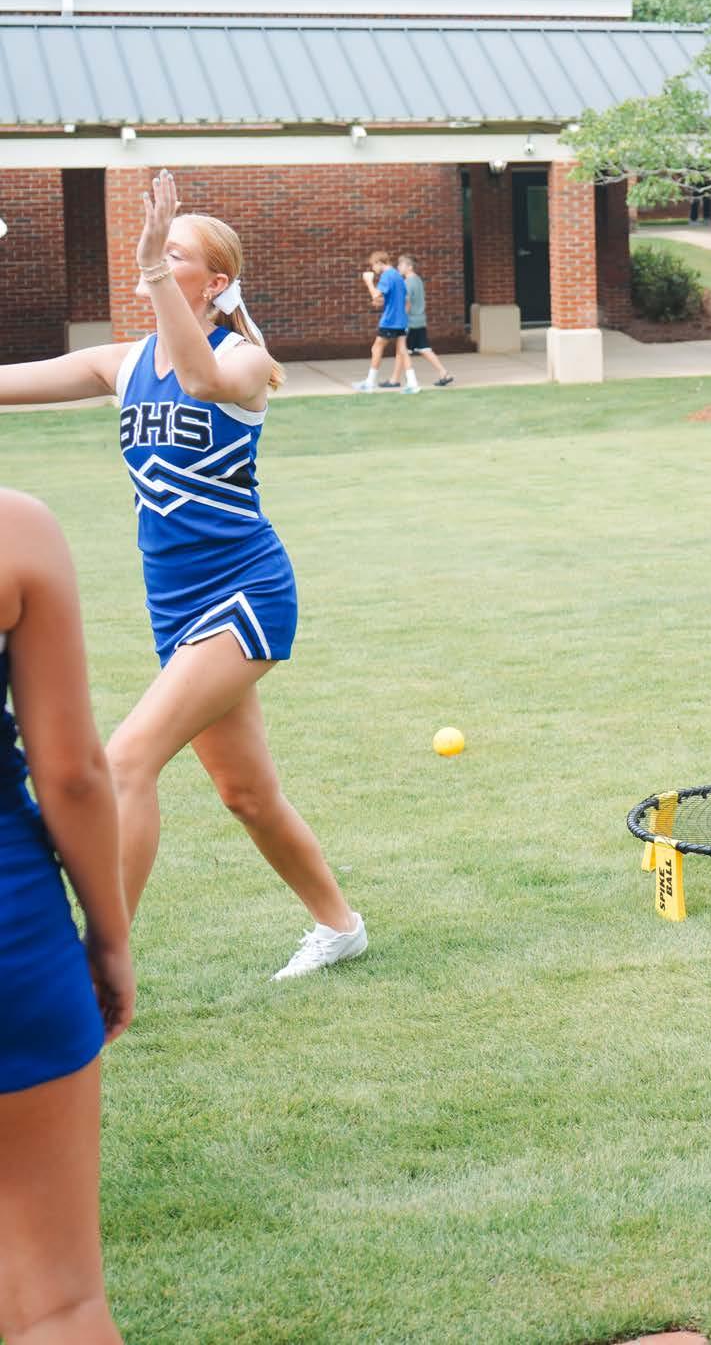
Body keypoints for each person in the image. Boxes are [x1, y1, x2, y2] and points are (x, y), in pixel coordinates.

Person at [0, 170, 367, 981]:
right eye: (154, 249)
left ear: (215, 281)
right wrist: (157, 268)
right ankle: (340, 926)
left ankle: (96, 966)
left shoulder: (245, 360)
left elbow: (201, 380)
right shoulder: (120, 363)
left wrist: (151, 270)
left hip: (245, 593)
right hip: (175, 608)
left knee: (126, 758)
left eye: (172, 253)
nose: (151, 257)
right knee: (247, 795)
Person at [0, 489, 134, 1345]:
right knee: (56, 1304)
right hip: (9, 932)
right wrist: (109, 933)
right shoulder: (14, 528)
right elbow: (74, 774)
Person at [354, 250, 412, 393]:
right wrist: (382, 302)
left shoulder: (387, 276)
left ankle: (370, 382)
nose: (373, 269)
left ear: (379, 263)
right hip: (401, 320)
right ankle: (412, 383)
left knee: (376, 348)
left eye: (373, 265)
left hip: (390, 320)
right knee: (402, 351)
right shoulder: (397, 276)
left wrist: (368, 281)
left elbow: (375, 294)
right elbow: (403, 300)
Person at [399, 254, 454, 388]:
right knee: (424, 349)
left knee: (403, 351)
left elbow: (407, 303)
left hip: (410, 322)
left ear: (409, 267)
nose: (398, 267)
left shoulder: (407, 283)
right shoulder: (418, 280)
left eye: (401, 265)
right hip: (420, 320)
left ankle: (405, 380)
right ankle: (444, 373)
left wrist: (401, 319)